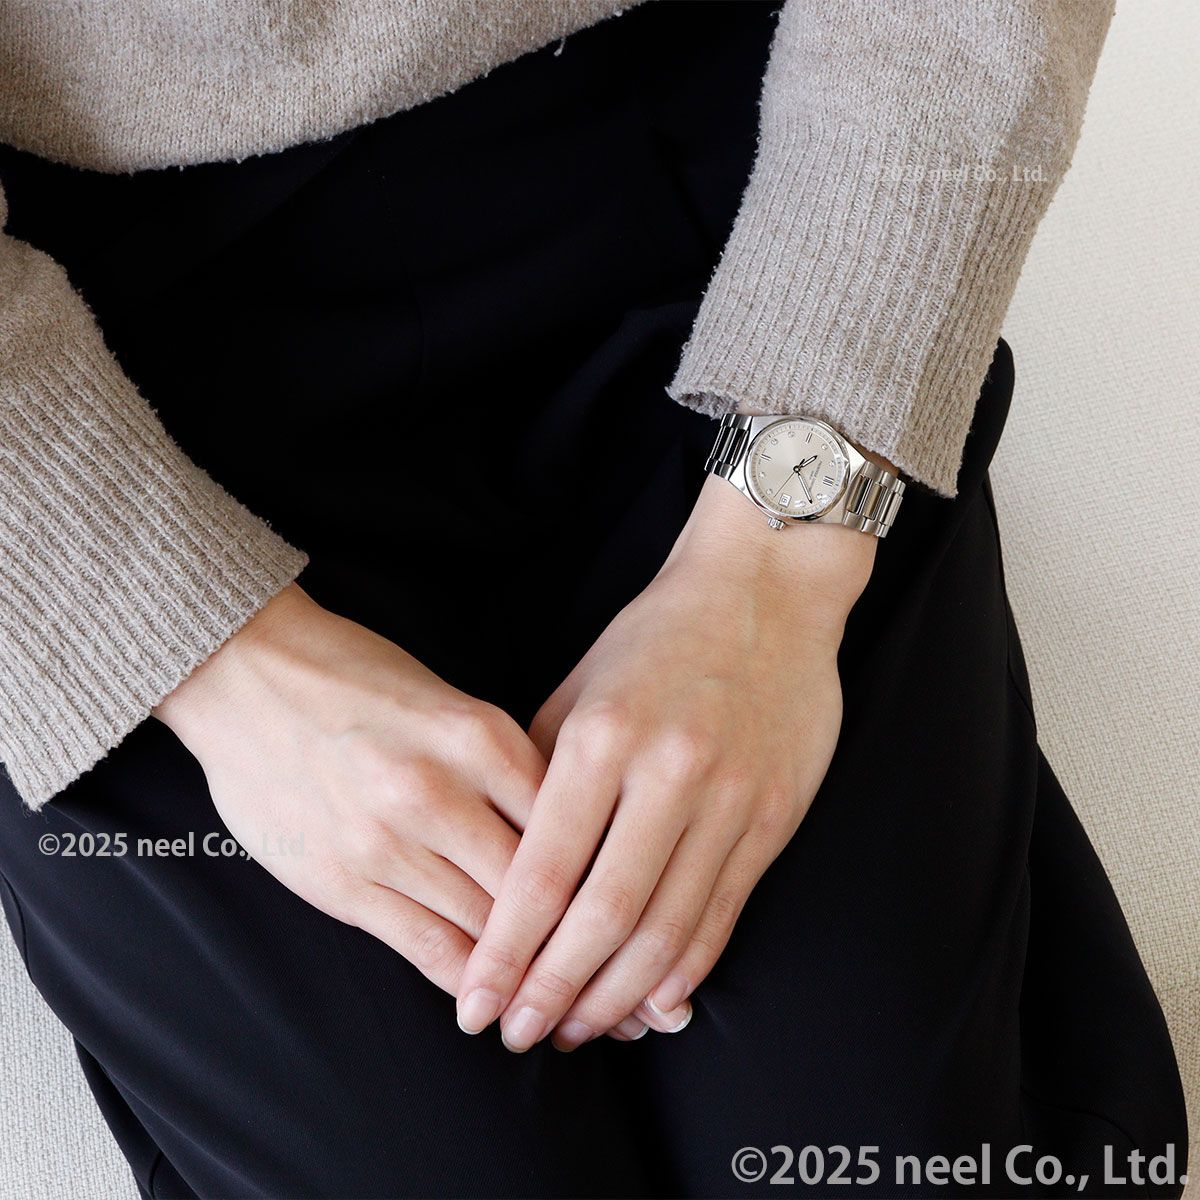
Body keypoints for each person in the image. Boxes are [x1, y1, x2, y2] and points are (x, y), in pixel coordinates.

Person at [0, 2, 1187, 1197]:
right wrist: (205, 664)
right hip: (82, 371)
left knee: (878, 1165)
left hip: (700, 215)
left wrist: (775, 569)